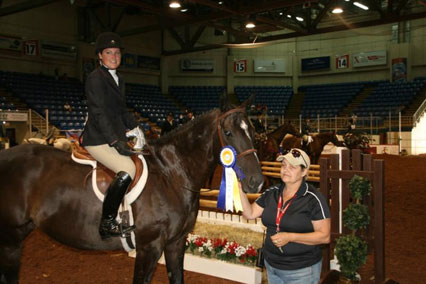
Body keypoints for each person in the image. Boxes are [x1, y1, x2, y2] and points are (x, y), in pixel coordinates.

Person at [81, 31, 146, 239]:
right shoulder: (95, 78)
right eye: (109, 52)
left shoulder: (119, 79)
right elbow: (99, 113)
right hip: (98, 139)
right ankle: (107, 222)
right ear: (100, 55)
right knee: (127, 169)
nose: (114, 56)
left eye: (117, 52)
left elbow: (122, 111)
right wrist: (115, 141)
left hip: (115, 136)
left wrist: (137, 128)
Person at [239, 148, 330, 284]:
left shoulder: (313, 199)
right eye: (283, 165)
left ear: (304, 171)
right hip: (272, 265)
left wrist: (290, 237)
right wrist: (240, 191)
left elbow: (324, 236)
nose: (285, 169)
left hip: (301, 270)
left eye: (292, 167)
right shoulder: (272, 192)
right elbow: (249, 214)